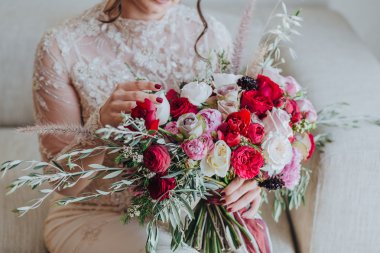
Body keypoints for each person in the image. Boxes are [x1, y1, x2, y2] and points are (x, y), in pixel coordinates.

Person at [33, 0, 269, 252]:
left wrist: (248, 179)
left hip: (195, 211)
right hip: (98, 211)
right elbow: (62, 182)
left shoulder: (211, 35)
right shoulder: (62, 46)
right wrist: (100, 126)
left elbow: (230, 133)